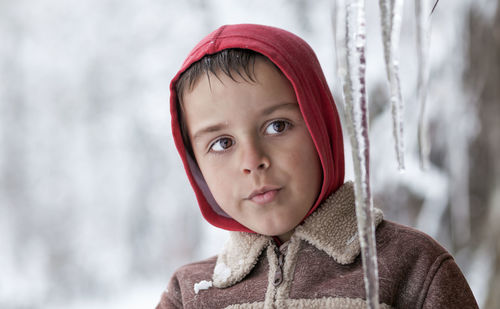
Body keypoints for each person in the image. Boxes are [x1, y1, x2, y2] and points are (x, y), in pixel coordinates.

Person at [156, 24, 478, 309]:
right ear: (196, 166)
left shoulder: (414, 268)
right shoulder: (188, 295)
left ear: (320, 126)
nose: (253, 161)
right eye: (222, 143)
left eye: (277, 126)